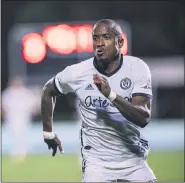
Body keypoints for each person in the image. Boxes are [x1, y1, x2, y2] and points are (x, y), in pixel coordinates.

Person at [41, 19, 157, 182]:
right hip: (97, 165)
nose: (99, 43)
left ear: (120, 41)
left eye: (106, 37)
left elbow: (143, 118)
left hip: (134, 161)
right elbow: (48, 91)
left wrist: (111, 95)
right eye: (95, 38)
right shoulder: (78, 72)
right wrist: (48, 132)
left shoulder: (137, 68)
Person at [2, 76, 38, 162]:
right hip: (12, 118)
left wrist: (32, 113)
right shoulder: (8, 93)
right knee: (14, 136)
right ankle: (16, 153)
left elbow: (33, 105)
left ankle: (22, 153)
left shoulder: (26, 93)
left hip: (23, 117)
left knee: (23, 136)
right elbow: (4, 106)